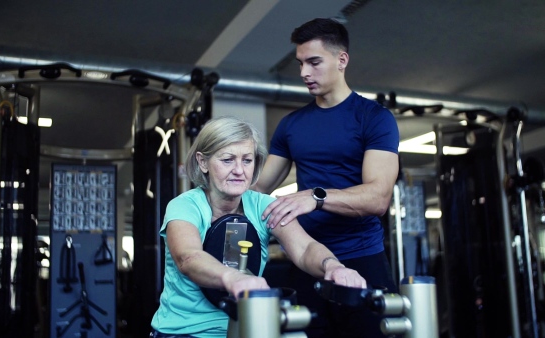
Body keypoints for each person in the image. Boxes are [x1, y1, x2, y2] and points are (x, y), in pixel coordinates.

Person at [149, 115, 367, 338]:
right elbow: (188, 257)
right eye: (227, 160)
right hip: (184, 332)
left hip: (246, 329)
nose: (239, 170)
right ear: (203, 162)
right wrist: (232, 278)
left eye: (247, 160)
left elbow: (305, 248)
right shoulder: (184, 206)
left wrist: (333, 266)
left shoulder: (262, 205)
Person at [253, 18, 400, 338]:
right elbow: (258, 189)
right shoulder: (291, 125)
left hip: (362, 259)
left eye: (314, 62)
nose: (304, 72)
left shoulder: (374, 118)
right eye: (301, 63)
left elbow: (378, 198)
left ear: (341, 60)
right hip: (308, 261)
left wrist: (315, 197)